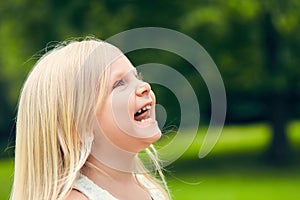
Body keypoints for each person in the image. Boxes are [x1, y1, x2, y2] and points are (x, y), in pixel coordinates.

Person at [10, 38, 170, 200]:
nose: (144, 87)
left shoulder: (148, 187)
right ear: (78, 126)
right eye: (119, 83)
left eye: (137, 76)